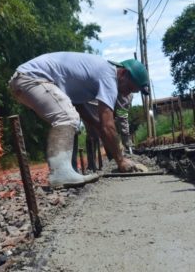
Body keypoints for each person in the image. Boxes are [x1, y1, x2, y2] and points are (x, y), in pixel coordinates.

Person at [9, 52, 150, 188]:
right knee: (67, 117)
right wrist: (121, 159)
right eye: (130, 88)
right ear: (123, 73)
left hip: (25, 78)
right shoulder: (109, 76)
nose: (127, 93)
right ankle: (61, 173)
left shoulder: (98, 74)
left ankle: (67, 172)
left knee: (70, 117)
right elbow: (108, 125)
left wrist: (96, 125)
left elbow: (78, 106)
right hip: (32, 78)